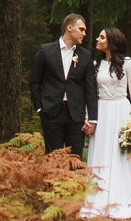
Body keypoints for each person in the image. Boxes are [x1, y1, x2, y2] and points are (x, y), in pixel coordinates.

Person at [80, 26, 131, 220]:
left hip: (121, 111)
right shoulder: (96, 64)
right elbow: (90, 95)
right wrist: (88, 117)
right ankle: (98, 198)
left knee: (120, 155)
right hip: (102, 111)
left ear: (112, 41)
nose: (97, 40)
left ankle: (123, 198)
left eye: (102, 37)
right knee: (101, 153)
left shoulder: (127, 64)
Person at [29, 12, 98, 156]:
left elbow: (90, 88)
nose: (84, 33)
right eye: (81, 29)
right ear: (69, 28)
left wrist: (92, 118)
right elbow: (34, 81)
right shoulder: (46, 51)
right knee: (54, 157)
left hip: (76, 114)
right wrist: (39, 108)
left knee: (75, 157)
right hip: (51, 111)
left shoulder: (85, 56)